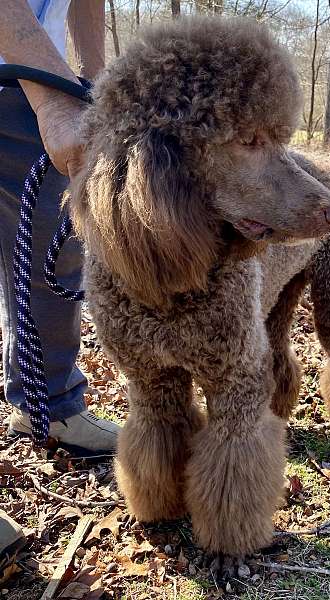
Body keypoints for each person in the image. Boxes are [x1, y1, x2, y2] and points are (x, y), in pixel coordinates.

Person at [0, 1, 121, 453]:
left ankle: (47, 408)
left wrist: (98, 82)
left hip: (31, 79)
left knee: (54, 242)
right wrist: (52, 94)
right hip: (36, 79)